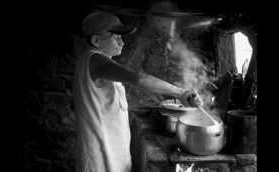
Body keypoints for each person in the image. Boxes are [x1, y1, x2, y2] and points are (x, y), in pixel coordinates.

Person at [73, 11, 203, 172]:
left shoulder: (94, 62)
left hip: (109, 150)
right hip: (101, 154)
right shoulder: (94, 60)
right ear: (96, 40)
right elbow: (138, 78)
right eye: (116, 37)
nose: (122, 42)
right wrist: (180, 93)